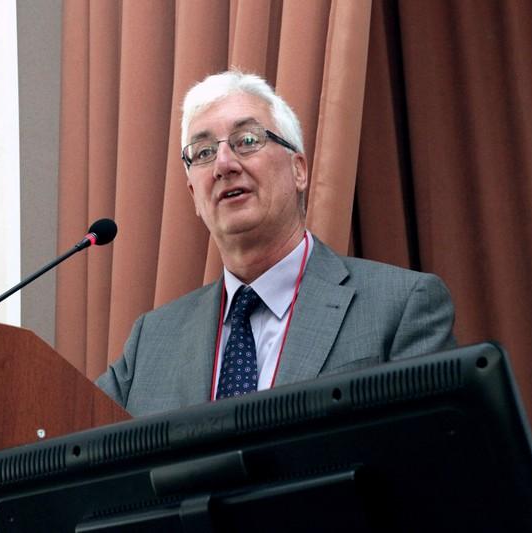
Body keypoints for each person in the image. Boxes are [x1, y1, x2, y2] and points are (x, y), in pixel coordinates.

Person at [96, 70, 455, 416]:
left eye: (247, 141)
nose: (223, 164)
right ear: (194, 195)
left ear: (298, 170)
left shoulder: (401, 305)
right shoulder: (150, 342)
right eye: (203, 152)